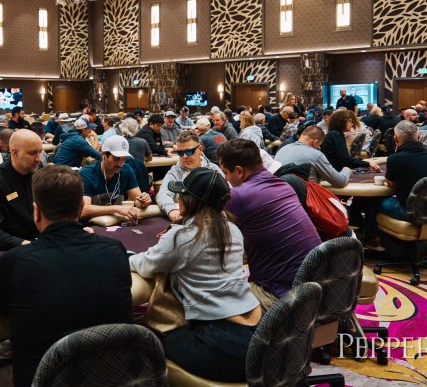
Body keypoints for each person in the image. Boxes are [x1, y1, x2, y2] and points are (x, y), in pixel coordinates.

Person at [0, 165, 132, 387]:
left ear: (36, 211)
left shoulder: (13, 262)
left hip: (44, 380)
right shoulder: (115, 250)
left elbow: (1, 310)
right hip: (113, 376)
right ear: (80, 209)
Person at [130, 167, 262, 383]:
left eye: (181, 194)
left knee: (143, 342)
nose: (178, 199)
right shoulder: (233, 230)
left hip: (222, 343)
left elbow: (144, 265)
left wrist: (124, 256)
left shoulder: (184, 237)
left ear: (190, 201)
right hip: (259, 332)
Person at [217, 139, 321, 310]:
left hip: (284, 296)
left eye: (226, 173)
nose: (225, 178)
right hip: (318, 285)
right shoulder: (283, 185)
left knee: (209, 300)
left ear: (239, 171)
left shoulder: (239, 196)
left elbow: (208, 233)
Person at [364, 121, 427, 248]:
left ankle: (375, 241)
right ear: (419, 137)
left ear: (396, 139)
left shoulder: (395, 159)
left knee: (373, 201)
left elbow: (392, 184)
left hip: (411, 212)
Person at [0, 129, 42, 250]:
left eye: (40, 152)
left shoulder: (39, 172)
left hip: (38, 243)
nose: (38, 158)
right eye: (32, 153)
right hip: (9, 247)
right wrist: (27, 244)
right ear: (15, 153)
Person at [157, 130, 223, 223]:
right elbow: (163, 194)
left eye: (189, 151)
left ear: (200, 149)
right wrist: (172, 210)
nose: (184, 156)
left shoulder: (213, 169)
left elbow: (227, 194)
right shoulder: (175, 171)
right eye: (180, 153)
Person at [79, 135, 151, 220]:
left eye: (124, 159)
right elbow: (83, 210)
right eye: (116, 159)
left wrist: (144, 201)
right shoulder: (86, 174)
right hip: (91, 225)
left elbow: (137, 200)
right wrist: (116, 209)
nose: (120, 164)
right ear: (103, 155)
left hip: (117, 223)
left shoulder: (126, 170)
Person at [274, 125, 352, 188]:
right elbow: (340, 182)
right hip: (304, 199)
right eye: (319, 145)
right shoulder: (316, 154)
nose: (319, 147)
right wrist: (347, 170)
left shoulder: (283, 149)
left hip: (279, 194)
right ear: (315, 142)